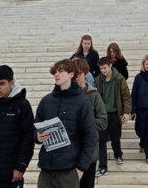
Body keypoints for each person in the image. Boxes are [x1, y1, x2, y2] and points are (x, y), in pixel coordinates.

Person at [34, 59, 97, 188]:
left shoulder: (82, 102)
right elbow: (34, 128)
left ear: (71, 74)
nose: (56, 74)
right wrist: (37, 136)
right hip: (47, 169)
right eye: (55, 72)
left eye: (61, 71)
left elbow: (90, 137)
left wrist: (80, 169)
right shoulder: (46, 101)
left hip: (69, 170)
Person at [71, 58, 107, 188]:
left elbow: (103, 122)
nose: (75, 77)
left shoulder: (94, 95)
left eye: (78, 74)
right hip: (70, 153)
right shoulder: (65, 95)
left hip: (89, 153)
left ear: (86, 74)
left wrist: (86, 123)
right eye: (73, 74)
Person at [94, 56, 132, 176]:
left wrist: (126, 113)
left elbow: (126, 97)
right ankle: (102, 167)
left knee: (115, 138)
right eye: (101, 69)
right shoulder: (98, 80)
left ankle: (118, 155)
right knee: (101, 141)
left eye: (105, 68)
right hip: (102, 115)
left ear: (110, 66)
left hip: (115, 113)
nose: (103, 71)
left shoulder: (119, 79)